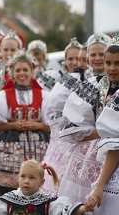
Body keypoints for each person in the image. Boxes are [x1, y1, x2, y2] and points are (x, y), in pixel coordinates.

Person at [0, 53, 50, 196]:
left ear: (32, 72)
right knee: (4, 192)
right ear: (12, 73)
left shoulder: (45, 96)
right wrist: (13, 125)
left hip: (39, 146)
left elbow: (52, 127)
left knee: (39, 189)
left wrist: (38, 126)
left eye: (25, 70)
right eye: (18, 70)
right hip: (8, 148)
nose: (21, 73)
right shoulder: (1, 96)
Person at [57, 33, 111, 202]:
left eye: (102, 55)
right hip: (93, 148)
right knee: (84, 197)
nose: (97, 58)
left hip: (111, 148)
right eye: (93, 54)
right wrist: (102, 132)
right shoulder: (90, 85)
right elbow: (73, 124)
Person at [42, 38, 84, 196]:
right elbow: (52, 107)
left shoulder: (84, 79)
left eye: (78, 59)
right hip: (61, 138)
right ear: (65, 62)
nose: (74, 62)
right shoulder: (64, 81)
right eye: (70, 59)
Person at [0, 159, 95, 215]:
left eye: (32, 178)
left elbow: (65, 211)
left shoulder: (48, 202)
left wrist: (85, 208)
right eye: (23, 177)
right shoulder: (9, 199)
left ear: (41, 182)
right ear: (18, 178)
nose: (26, 181)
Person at [84, 36, 119, 214]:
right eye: (108, 63)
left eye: (118, 63)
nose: (112, 68)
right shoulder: (102, 86)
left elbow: (115, 143)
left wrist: (99, 185)